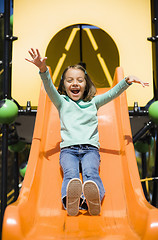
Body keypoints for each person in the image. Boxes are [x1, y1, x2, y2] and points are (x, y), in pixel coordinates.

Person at [25, 48, 149, 216]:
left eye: (79, 80)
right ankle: (70, 200)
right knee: (71, 175)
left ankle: (94, 198)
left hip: (90, 149)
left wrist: (127, 81)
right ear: (64, 85)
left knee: (91, 172)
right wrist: (42, 69)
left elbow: (113, 94)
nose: (75, 83)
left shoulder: (93, 103)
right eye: (69, 80)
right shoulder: (61, 102)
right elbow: (48, 87)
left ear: (86, 84)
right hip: (68, 150)